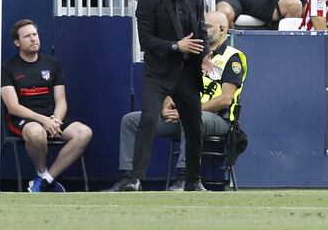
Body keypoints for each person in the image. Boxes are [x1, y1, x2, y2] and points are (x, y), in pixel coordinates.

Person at [102, 11, 247, 192]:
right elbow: (171, 89)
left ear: (223, 29)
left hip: (217, 118)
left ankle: (184, 178)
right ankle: (129, 179)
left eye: (207, 27)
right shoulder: (193, 56)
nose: (202, 30)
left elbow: (226, 99)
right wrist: (165, 107)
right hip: (183, 114)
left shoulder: (233, 57)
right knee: (131, 120)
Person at [108, 0, 214, 192]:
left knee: (194, 125)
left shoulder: (196, 0)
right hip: (158, 74)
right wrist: (177, 46)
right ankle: (135, 178)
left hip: (187, 73)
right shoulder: (149, 0)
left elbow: (202, 35)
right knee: (147, 119)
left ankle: (194, 179)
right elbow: (146, 41)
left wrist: (205, 55)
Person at [1, 19, 93, 193]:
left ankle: (45, 180)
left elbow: (61, 100)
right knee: (37, 132)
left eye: (35, 34)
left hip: (52, 118)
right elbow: (13, 107)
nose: (33, 39)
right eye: (27, 36)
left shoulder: (51, 63)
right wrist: (44, 121)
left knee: (84, 133)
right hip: (24, 120)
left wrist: (56, 120)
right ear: (17, 42)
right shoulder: (8, 67)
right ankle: (41, 173)